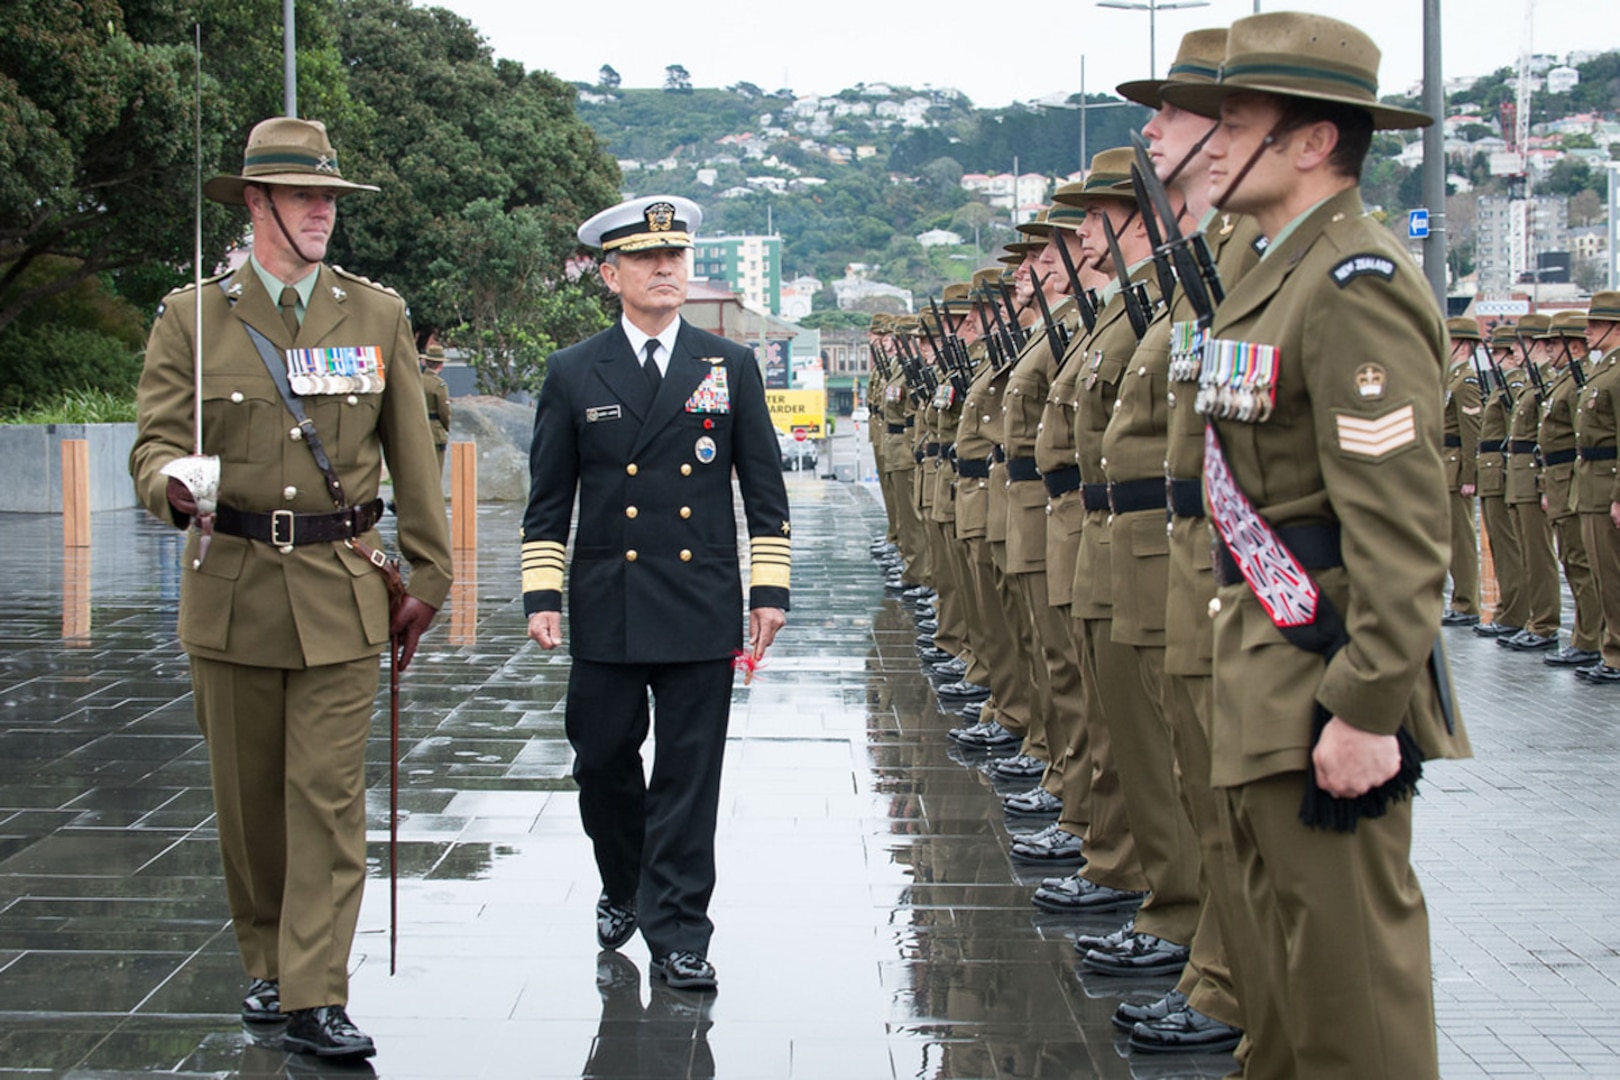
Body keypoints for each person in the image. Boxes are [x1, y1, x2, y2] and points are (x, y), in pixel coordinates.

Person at [1162, 13, 1471, 1075]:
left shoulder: (1357, 286)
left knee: (1353, 1006)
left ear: (1310, 143)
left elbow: (1400, 526)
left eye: (1236, 123)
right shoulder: (1272, 272)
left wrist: (1368, 706)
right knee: (1287, 1004)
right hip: (1263, 669)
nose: (1212, 143)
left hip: (1320, 681)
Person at [129, 117, 451, 1059]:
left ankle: (316, 991)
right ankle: (266, 964)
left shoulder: (374, 314)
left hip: (343, 587)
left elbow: (414, 461)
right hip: (229, 590)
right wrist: (169, 485)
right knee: (249, 804)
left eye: (331, 200)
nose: (323, 214)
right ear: (258, 204)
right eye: (306, 198)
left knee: (326, 799)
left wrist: (427, 574)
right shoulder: (191, 317)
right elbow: (151, 443)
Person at [521, 195, 790, 992]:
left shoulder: (727, 365)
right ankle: (622, 881)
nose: (666, 268)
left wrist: (767, 588)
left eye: (674, 255)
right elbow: (548, 499)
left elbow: (764, 488)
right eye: (645, 258)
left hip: (700, 597)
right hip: (608, 595)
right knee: (600, 760)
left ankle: (679, 931)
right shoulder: (574, 371)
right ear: (611, 274)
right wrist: (543, 596)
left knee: (689, 773)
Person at [1573, 291, 1620, 682]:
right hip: (1591, 483)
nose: (1587, 331)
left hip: (1608, 484)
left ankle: (1617, 654)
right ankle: (1610, 647)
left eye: (1595, 324)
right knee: (1601, 572)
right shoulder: (1602, 370)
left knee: (1612, 573)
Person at [420, 343, 453, 475]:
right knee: (435, 472)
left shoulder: (417, 380)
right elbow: (444, 412)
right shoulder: (438, 385)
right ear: (440, 365)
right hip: (434, 431)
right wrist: (447, 427)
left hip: (417, 428)